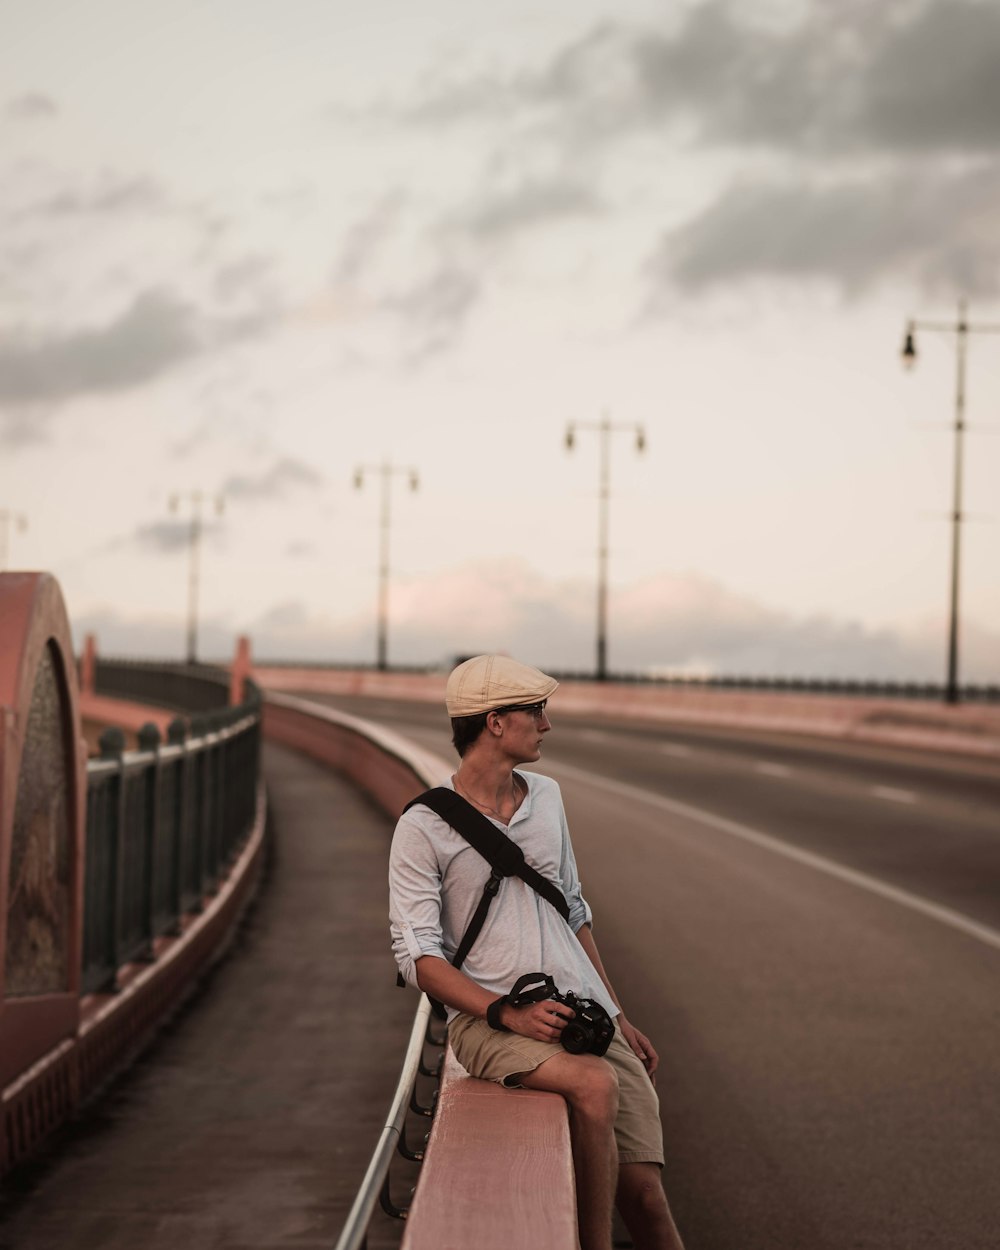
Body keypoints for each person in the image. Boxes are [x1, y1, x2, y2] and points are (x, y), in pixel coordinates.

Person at [389, 654, 685, 1250]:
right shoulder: (424, 826)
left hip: (581, 1011)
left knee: (649, 1200)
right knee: (595, 1086)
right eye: (536, 710)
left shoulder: (546, 798)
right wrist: (505, 1011)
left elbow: (573, 910)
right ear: (495, 722)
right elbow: (418, 958)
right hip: (490, 1021)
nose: (546, 724)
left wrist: (619, 1014)